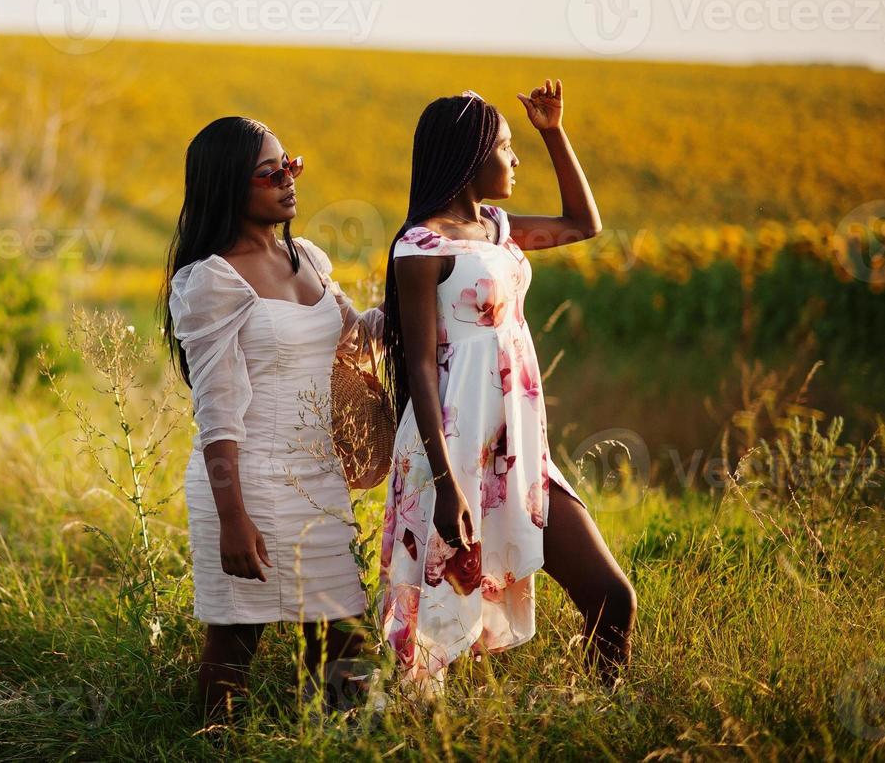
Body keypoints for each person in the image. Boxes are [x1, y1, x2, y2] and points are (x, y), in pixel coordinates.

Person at [378, 80, 635, 698]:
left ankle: (605, 721)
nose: (514, 160)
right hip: (452, 453)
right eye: (507, 147)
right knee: (441, 638)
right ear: (471, 155)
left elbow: (582, 223)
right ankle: (420, 739)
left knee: (610, 596)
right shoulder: (421, 246)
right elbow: (418, 368)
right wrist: (445, 484)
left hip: (518, 452)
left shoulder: (498, 229)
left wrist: (553, 131)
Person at [162, 116, 384, 721]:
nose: (288, 179)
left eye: (292, 163)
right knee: (234, 644)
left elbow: (358, 334)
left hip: (316, 484)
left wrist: (432, 290)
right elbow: (216, 411)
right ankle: (212, 748)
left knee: (346, 646)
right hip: (246, 484)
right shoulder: (211, 279)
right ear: (230, 186)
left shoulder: (307, 257)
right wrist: (233, 518)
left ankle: (341, 746)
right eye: (269, 172)